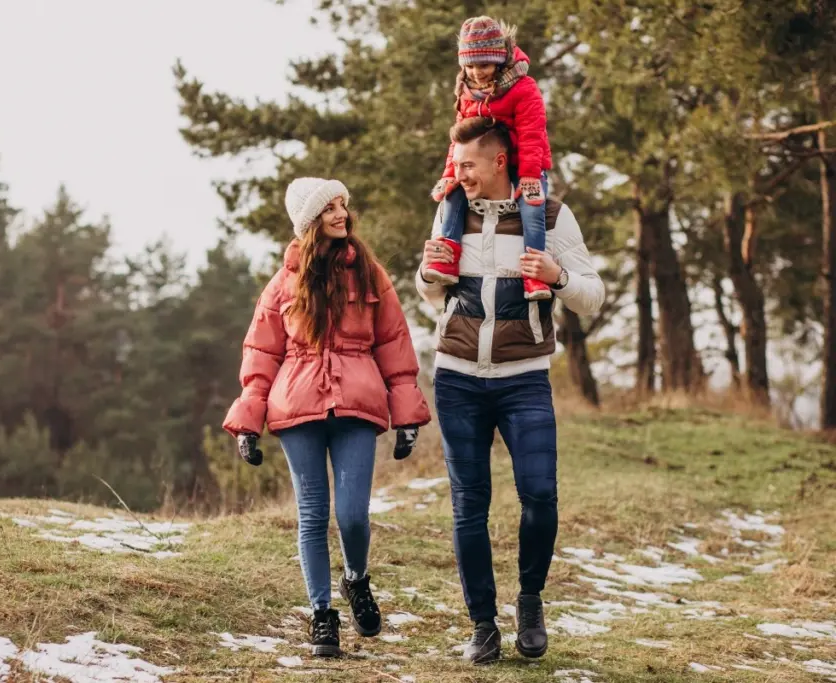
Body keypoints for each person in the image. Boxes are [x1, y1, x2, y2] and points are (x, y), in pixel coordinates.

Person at [416, 117, 605, 664]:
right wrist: (430, 275)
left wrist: (557, 276)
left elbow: (591, 295)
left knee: (540, 497)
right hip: (456, 378)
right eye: (457, 164)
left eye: (468, 164)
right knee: (467, 507)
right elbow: (432, 294)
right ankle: (482, 625)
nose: (459, 174)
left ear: (501, 161)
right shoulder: (452, 209)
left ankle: (529, 602)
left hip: (524, 380)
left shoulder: (549, 216)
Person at [224, 177, 432, 658]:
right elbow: (260, 356)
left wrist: (407, 415)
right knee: (313, 516)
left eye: (343, 205)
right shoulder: (282, 285)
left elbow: (395, 345)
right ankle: (322, 616)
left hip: (358, 407)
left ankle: (356, 579)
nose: (342, 213)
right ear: (309, 222)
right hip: (296, 409)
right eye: (330, 208)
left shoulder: (371, 275)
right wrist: (247, 423)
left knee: (353, 516)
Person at [424, 15, 554, 304]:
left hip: (524, 163)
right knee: (452, 193)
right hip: (483, 163)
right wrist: (451, 172)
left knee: (533, 209)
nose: (477, 72)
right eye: (470, 65)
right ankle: (447, 254)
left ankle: (534, 270)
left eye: (483, 65)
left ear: (498, 59)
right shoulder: (467, 92)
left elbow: (533, 134)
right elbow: (460, 139)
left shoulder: (523, 87)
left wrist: (531, 175)